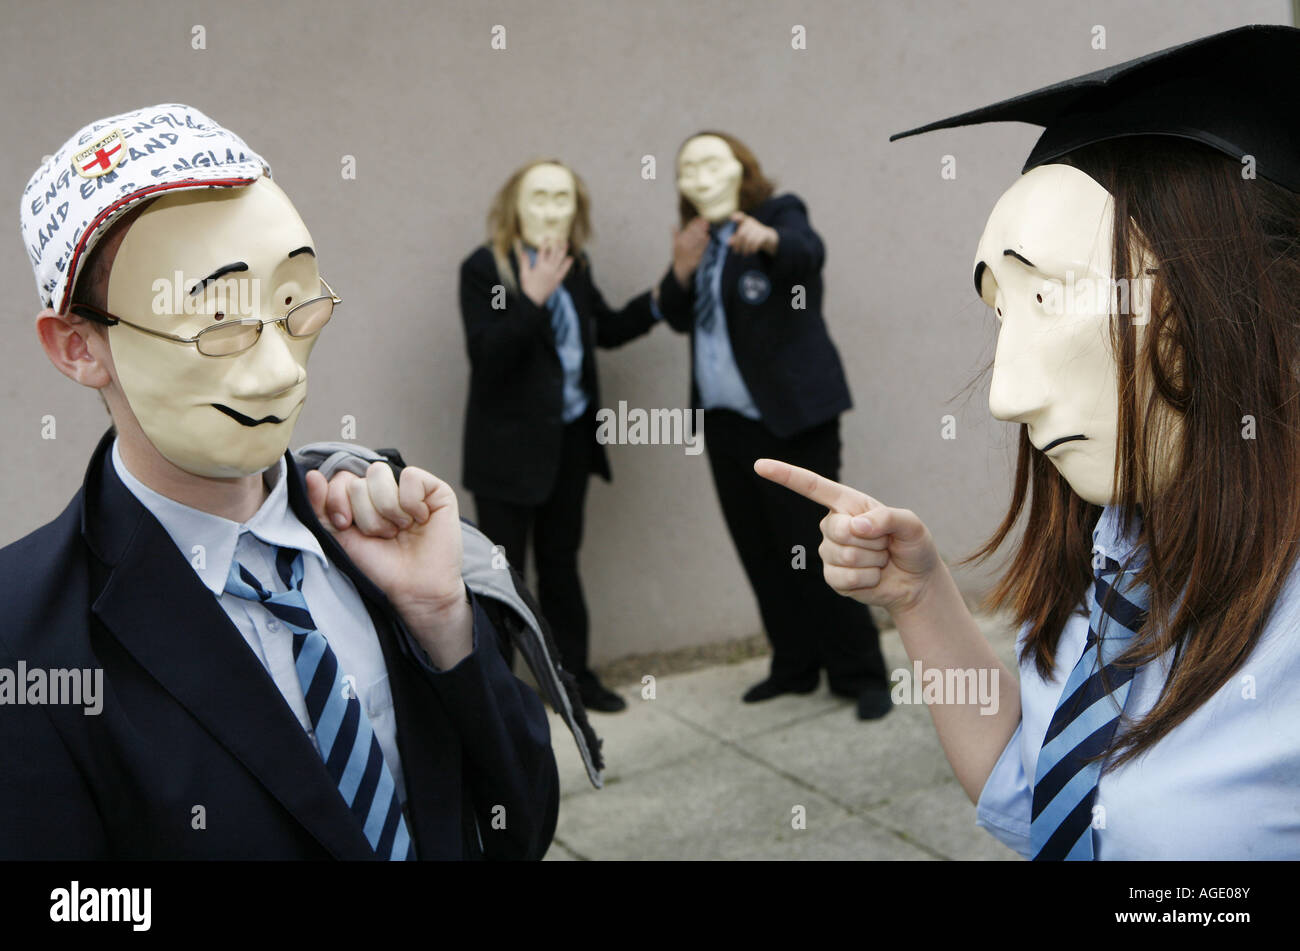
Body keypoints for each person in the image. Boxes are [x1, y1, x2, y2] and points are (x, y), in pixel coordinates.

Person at [758, 25, 1300, 858]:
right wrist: (920, 596)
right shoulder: (1117, 547)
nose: (1005, 394)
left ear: (1230, 301)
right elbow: (1037, 785)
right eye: (1001, 311)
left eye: (1048, 299)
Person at [1, 103, 560, 859]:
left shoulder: (376, 529)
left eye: (294, 305)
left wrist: (443, 623)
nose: (275, 369)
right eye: (215, 322)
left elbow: (518, 820)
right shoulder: (24, 637)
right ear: (78, 347)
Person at [652, 131, 890, 719]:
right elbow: (681, 319)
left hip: (790, 422)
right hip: (726, 426)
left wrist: (773, 241)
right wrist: (681, 271)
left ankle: (862, 673)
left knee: (816, 548)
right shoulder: (700, 240)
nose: (700, 175)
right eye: (688, 168)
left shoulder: (778, 213)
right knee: (760, 551)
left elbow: (807, 253)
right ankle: (794, 666)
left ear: (741, 167)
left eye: (713, 161)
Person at [459, 158, 660, 713]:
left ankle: (574, 683)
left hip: (569, 444)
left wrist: (668, 293)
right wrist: (531, 298)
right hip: (507, 457)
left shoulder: (577, 265)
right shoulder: (483, 269)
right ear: (512, 207)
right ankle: (498, 698)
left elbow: (608, 329)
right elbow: (489, 358)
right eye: (539, 197)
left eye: (562, 199)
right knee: (500, 578)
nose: (551, 210)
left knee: (562, 567)